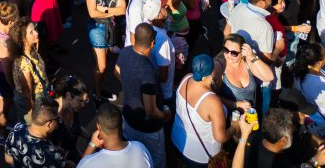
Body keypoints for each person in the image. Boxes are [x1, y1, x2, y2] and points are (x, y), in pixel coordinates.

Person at [116, 23, 170, 168]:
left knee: (134, 157)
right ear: (152, 43)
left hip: (129, 118)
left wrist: (130, 85)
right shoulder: (147, 71)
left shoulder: (125, 52)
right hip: (148, 128)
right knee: (156, 159)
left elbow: (116, 71)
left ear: (135, 38)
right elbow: (151, 110)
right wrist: (165, 115)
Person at [172, 54, 236, 168]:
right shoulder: (212, 101)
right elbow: (220, 137)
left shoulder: (186, 78)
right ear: (211, 74)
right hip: (200, 158)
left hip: (178, 141)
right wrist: (235, 127)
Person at [85, 0, 126, 102]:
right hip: (96, 28)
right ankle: (97, 94)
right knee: (102, 66)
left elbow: (123, 9)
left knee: (105, 60)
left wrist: (105, 9)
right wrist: (112, 12)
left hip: (111, 27)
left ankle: (99, 88)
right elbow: (92, 13)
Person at [77, 101, 153, 168]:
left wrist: (92, 145)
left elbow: (82, 164)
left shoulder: (90, 163)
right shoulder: (140, 148)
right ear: (122, 125)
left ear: (99, 127)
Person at [4, 96, 69, 168]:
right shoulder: (53, 157)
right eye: (58, 118)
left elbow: (8, 159)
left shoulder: (17, 128)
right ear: (49, 124)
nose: (58, 121)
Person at [10, 18, 49, 123]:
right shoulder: (25, 65)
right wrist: (32, 116)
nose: (36, 33)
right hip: (33, 101)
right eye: (31, 32)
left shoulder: (30, 49)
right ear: (23, 39)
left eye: (35, 29)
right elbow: (27, 95)